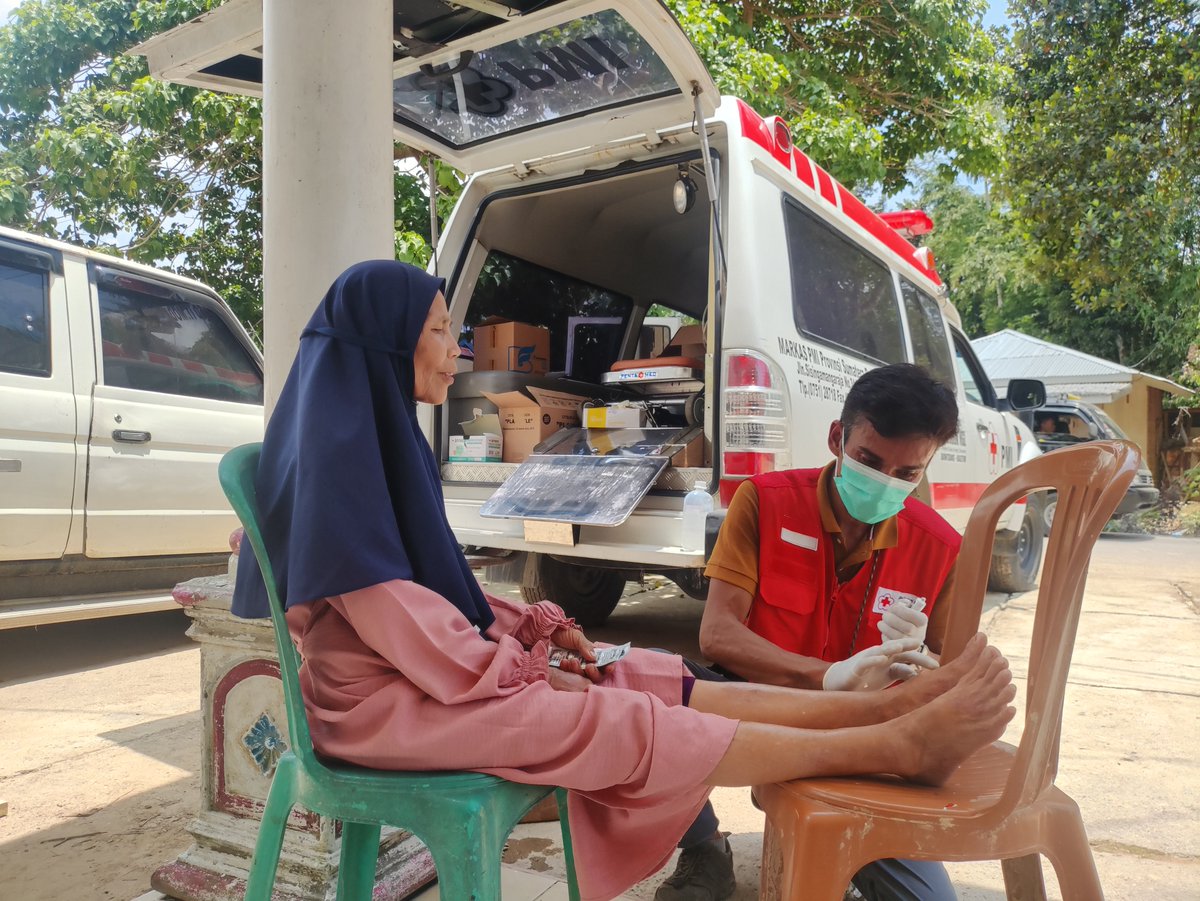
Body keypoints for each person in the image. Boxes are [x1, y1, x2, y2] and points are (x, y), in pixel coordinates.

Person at [232, 261, 1016, 901]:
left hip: (421, 682)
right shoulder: (342, 475)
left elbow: (439, 610)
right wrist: (526, 665)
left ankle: (877, 706)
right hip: (382, 708)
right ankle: (893, 739)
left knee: (636, 668)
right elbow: (415, 632)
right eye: (439, 330)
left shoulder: (371, 445)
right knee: (618, 718)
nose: (458, 350)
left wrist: (535, 627)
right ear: (385, 346)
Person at [661, 364, 965, 901]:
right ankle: (704, 846)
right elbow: (719, 635)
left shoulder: (940, 546)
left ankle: (849, 862)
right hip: (758, 703)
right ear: (836, 438)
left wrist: (925, 663)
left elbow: (951, 677)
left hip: (865, 734)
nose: (884, 482)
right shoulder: (765, 500)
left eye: (907, 473)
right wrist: (827, 678)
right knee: (642, 688)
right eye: (870, 461)